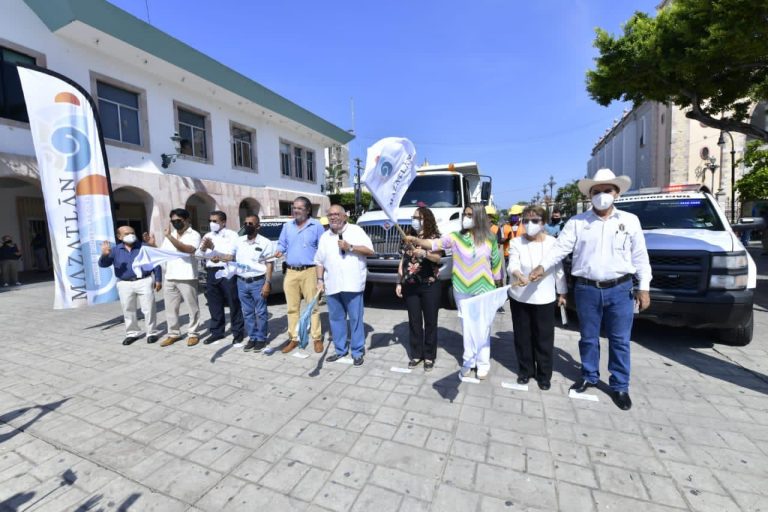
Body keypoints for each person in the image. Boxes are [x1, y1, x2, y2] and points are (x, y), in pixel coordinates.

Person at [529, 168, 651, 411]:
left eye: (607, 190)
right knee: (588, 338)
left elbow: (640, 256)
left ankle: (619, 385)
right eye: (597, 191)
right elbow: (560, 249)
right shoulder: (577, 223)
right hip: (586, 289)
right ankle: (589, 375)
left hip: (620, 289)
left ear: (616, 193)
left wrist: (644, 287)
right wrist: (541, 267)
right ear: (590, 195)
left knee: (620, 340)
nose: (602, 195)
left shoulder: (629, 221)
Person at [406, 203, 503, 380]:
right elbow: (435, 243)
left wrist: (499, 284)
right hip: (462, 288)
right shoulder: (456, 237)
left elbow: (496, 262)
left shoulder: (490, 238)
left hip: (484, 289)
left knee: (483, 327)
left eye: (469, 215)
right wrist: (417, 241)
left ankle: (482, 363)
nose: (466, 218)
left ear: (479, 217)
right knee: (467, 325)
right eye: (465, 214)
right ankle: (468, 360)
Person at [507, 205, 567, 390]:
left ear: (544, 222)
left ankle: (544, 374)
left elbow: (559, 270)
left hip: (544, 299)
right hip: (520, 297)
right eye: (526, 220)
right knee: (523, 336)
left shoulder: (552, 243)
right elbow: (512, 264)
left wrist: (562, 292)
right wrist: (518, 274)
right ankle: (525, 371)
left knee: (543, 338)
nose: (529, 224)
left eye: (535, 220)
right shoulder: (517, 242)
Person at [315, 204, 374, 366]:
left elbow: (370, 251)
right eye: (330, 215)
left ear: (344, 216)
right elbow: (319, 261)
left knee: (355, 319)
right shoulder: (325, 236)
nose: (333, 217)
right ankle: (340, 350)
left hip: (353, 284)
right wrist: (319, 280)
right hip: (332, 285)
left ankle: (357, 351)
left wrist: (351, 247)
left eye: (336, 214)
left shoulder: (356, 231)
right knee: (336, 319)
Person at [396, 206, 443, 371]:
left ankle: (429, 356)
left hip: (430, 285)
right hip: (410, 285)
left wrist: (425, 254)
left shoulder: (435, 238)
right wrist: (398, 282)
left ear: (427, 220)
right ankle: (416, 354)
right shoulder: (408, 237)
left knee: (430, 322)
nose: (415, 221)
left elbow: (438, 259)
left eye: (419, 218)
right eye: (414, 217)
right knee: (414, 321)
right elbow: (402, 262)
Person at [275, 197, 325, 353]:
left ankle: (317, 338)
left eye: (299, 208)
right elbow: (282, 244)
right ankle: (294, 338)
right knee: (292, 308)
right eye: (294, 208)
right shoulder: (287, 226)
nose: (295, 211)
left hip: (310, 271)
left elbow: (323, 250)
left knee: (313, 307)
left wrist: (321, 277)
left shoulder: (316, 226)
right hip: (290, 272)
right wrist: (279, 250)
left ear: (308, 210)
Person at [98, 226, 162, 345]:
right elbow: (103, 264)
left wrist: (158, 279)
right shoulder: (115, 250)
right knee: (128, 309)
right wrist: (105, 255)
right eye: (127, 233)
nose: (131, 235)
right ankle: (132, 333)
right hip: (125, 283)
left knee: (149, 308)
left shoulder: (144, 247)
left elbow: (155, 263)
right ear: (119, 236)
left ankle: (152, 332)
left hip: (144, 280)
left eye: (132, 232)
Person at [227, 214, 275, 353]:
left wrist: (268, 283)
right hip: (241, 282)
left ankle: (261, 338)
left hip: (258, 282)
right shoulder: (239, 241)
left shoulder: (265, 242)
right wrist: (217, 255)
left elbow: (269, 264)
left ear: (258, 226)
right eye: (245, 223)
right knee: (247, 313)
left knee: (260, 312)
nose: (247, 226)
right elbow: (231, 257)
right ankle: (252, 337)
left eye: (250, 223)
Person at [158, 208, 203, 347]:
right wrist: (151, 244)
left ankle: (193, 333)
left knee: (192, 307)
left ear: (187, 220)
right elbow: (163, 253)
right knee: (171, 308)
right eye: (173, 221)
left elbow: (188, 250)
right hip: (170, 276)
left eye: (178, 221)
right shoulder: (171, 234)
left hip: (186, 276)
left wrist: (170, 238)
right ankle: (173, 333)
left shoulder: (193, 234)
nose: (175, 223)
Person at [197, 210, 244, 345]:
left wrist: (215, 249)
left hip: (227, 271)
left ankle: (238, 332)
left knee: (233, 302)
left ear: (223, 222)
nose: (212, 224)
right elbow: (199, 255)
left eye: (215, 221)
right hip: (211, 272)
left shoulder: (232, 235)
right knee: (214, 303)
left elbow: (232, 255)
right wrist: (205, 249)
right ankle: (217, 332)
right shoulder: (207, 235)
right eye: (210, 221)